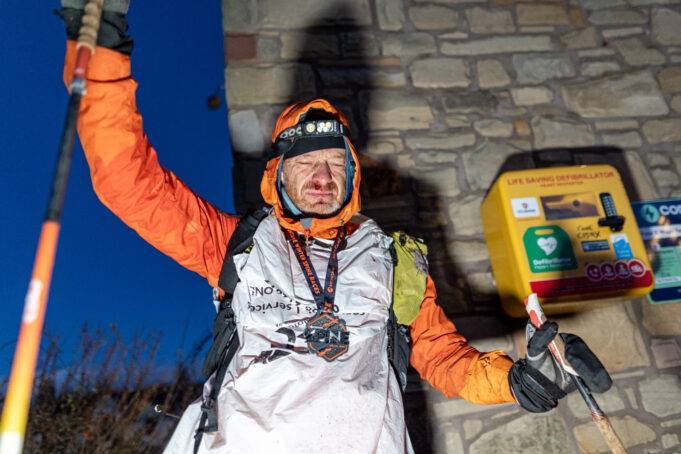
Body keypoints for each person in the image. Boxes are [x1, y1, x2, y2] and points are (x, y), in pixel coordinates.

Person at [58, 2, 612, 453]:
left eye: (336, 163)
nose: (322, 175)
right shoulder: (237, 243)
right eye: (306, 162)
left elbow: (443, 357)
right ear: (279, 173)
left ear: (352, 174)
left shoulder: (393, 258)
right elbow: (129, 183)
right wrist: (103, 51)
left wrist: (520, 381)